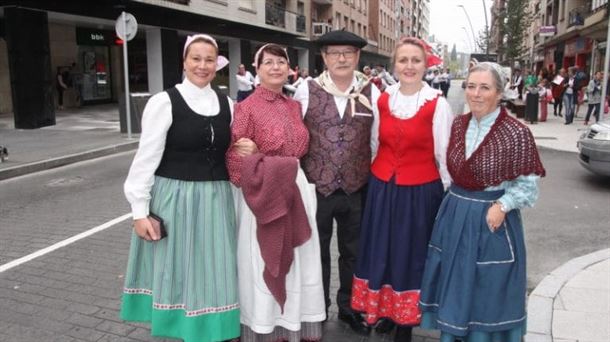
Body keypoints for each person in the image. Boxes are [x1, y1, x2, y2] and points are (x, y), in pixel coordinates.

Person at [120, 34, 240, 342]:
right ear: (184, 62)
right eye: (196, 58)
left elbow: (233, 154)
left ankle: (214, 329)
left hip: (217, 199)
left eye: (209, 59)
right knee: (180, 271)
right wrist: (139, 211)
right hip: (175, 199)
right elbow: (145, 159)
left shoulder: (228, 104)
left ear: (218, 65)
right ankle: (183, 328)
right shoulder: (164, 102)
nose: (202, 65)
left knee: (216, 269)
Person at [418, 62, 546, 342]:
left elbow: (528, 186)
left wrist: (502, 206)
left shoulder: (516, 132)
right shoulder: (459, 124)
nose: (476, 93)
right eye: (471, 86)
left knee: (487, 288)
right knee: (455, 283)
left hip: (492, 218)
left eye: (485, 87)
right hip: (455, 213)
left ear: (500, 93)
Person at [351, 37, 454, 342]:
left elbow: (443, 154)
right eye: (403, 60)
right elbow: (374, 144)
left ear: (426, 65)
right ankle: (386, 312)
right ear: (394, 65)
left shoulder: (437, 103)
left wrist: (445, 197)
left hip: (419, 192)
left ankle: (405, 325)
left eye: (415, 60)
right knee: (382, 251)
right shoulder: (383, 99)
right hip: (383, 188)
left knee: (409, 254)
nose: (409, 66)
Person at [226, 43, 325, 341]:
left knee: (298, 260)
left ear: (289, 68)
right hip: (264, 193)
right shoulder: (246, 107)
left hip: (295, 189)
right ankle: (265, 323)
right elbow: (234, 157)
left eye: (281, 62)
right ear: (257, 68)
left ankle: (291, 321)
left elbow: (302, 150)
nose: (276, 67)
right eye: (268, 62)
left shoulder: (294, 105)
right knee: (262, 260)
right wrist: (258, 161)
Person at [293, 29, 381, 336]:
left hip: (357, 187)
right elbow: (296, 137)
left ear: (357, 56)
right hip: (317, 187)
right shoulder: (307, 90)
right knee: (315, 253)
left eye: (348, 53)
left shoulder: (373, 92)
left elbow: (376, 142)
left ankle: (349, 309)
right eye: (334, 53)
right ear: (324, 57)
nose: (341, 58)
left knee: (353, 252)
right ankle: (315, 310)